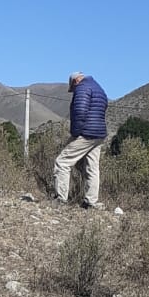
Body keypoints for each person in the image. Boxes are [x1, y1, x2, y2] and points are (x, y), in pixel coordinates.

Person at [54, 71, 109, 208]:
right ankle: (91, 201)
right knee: (92, 168)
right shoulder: (99, 88)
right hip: (99, 134)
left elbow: (80, 111)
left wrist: (75, 133)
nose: (74, 91)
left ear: (75, 81)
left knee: (62, 162)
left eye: (73, 88)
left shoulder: (82, 88)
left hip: (86, 133)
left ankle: (61, 199)